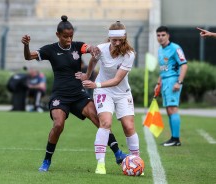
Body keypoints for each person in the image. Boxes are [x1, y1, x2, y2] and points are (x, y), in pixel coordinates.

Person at [21, 15, 127, 172]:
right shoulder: (50, 50)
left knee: (99, 119)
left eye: (71, 36)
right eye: (65, 36)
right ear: (58, 35)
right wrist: (26, 45)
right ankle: (46, 161)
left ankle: (118, 153)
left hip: (79, 94)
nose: (69, 39)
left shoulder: (77, 46)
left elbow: (88, 47)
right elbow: (28, 56)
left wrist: (93, 49)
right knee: (58, 125)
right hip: (60, 96)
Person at [75, 21, 140, 174]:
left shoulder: (129, 54)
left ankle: (136, 162)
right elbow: (93, 60)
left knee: (129, 127)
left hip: (122, 92)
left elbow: (117, 80)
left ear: (124, 38)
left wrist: (95, 85)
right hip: (104, 92)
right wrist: (87, 75)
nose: (117, 43)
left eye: (120, 40)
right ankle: (101, 164)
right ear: (109, 38)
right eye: (114, 40)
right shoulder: (101, 49)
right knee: (105, 123)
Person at [155, 26, 188, 146]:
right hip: (164, 82)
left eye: (163, 35)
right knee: (169, 110)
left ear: (168, 35)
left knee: (173, 108)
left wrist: (179, 82)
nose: (160, 37)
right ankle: (173, 138)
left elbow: (184, 65)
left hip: (173, 81)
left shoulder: (175, 48)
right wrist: (158, 83)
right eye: (158, 35)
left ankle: (176, 139)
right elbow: (163, 69)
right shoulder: (160, 50)